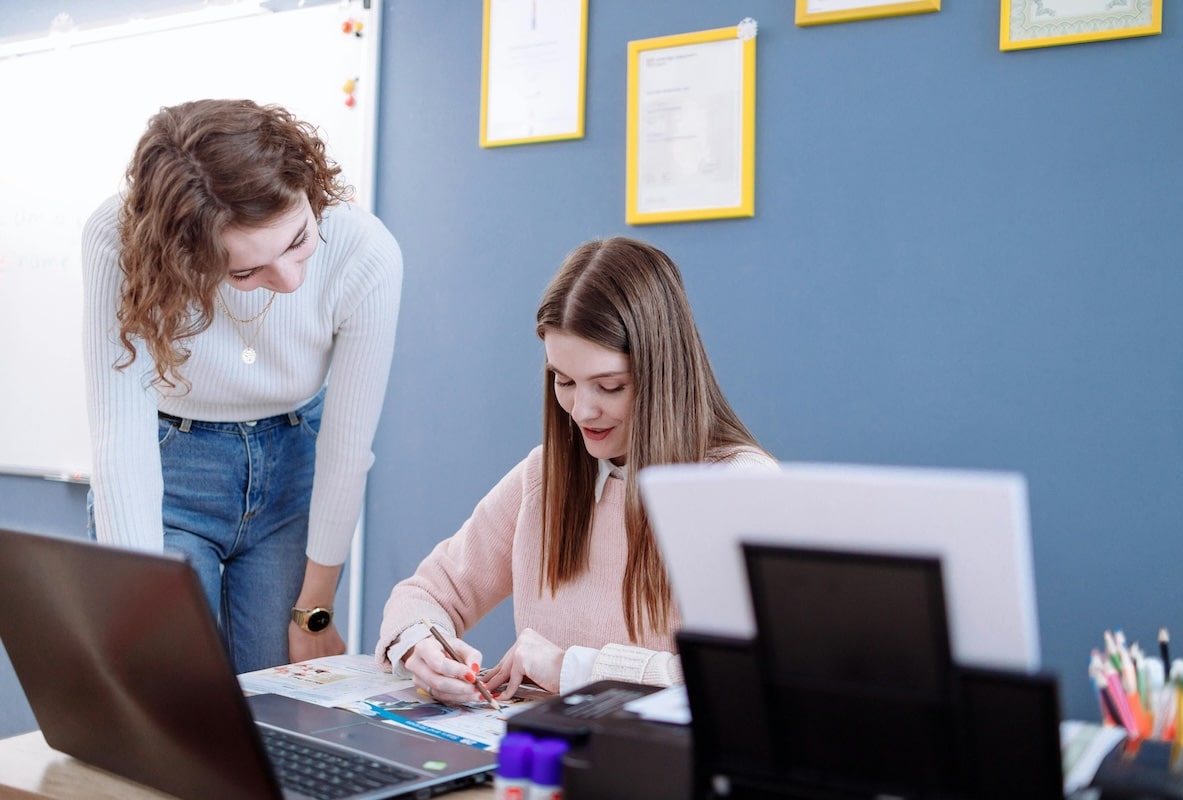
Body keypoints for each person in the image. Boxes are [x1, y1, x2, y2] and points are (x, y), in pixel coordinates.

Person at [374, 236, 773, 704]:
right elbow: (427, 591)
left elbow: (753, 679)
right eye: (563, 381)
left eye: (609, 386)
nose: (582, 410)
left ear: (663, 373)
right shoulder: (544, 475)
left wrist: (572, 668)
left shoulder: (742, 488)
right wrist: (421, 645)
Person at [82, 98, 403, 673]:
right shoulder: (119, 240)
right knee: (170, 687)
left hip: (293, 465)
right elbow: (119, 441)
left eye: (298, 240)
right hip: (169, 469)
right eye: (245, 272)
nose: (290, 280)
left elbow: (346, 448)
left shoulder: (365, 251)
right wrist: (137, 609)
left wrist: (316, 613)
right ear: (183, 258)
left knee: (284, 695)